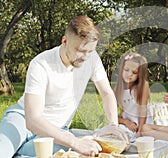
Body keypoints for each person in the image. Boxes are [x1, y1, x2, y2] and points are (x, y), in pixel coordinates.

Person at [0, 15, 128, 157]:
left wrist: (113, 125)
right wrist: (75, 142)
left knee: (74, 150)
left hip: (58, 130)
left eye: (90, 51)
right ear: (65, 41)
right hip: (22, 120)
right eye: (80, 50)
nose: (85, 57)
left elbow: (106, 93)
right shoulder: (41, 64)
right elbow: (33, 120)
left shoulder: (92, 59)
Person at [114, 53, 153, 142]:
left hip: (141, 125)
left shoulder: (142, 86)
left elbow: (143, 111)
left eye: (134, 72)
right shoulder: (117, 89)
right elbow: (113, 115)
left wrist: (140, 132)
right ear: (121, 70)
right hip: (126, 124)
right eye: (126, 70)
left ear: (139, 74)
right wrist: (126, 122)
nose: (129, 74)